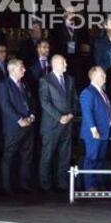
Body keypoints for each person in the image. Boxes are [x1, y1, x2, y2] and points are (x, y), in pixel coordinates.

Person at [38, 55, 77, 193]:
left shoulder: (70, 79)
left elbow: (74, 100)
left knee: (65, 156)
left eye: (65, 62)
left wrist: (71, 114)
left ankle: (62, 183)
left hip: (67, 124)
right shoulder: (45, 80)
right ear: (54, 64)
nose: (66, 64)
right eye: (63, 62)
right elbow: (45, 102)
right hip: (51, 125)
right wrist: (60, 117)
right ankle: (45, 185)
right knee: (48, 156)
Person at [0, 59, 36, 195]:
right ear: (12, 70)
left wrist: (31, 116)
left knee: (26, 156)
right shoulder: (4, 85)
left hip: (28, 125)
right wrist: (19, 120)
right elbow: (5, 105)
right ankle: (7, 187)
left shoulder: (24, 84)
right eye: (21, 68)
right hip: (13, 127)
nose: (24, 70)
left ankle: (24, 185)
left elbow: (31, 102)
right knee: (9, 156)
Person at [79, 66, 111, 190]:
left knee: (100, 160)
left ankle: (97, 184)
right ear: (93, 76)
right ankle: (89, 186)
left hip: (104, 132)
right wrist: (93, 129)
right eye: (101, 75)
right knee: (91, 159)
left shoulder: (102, 92)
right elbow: (87, 112)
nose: (105, 77)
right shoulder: (88, 92)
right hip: (94, 133)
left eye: (104, 74)